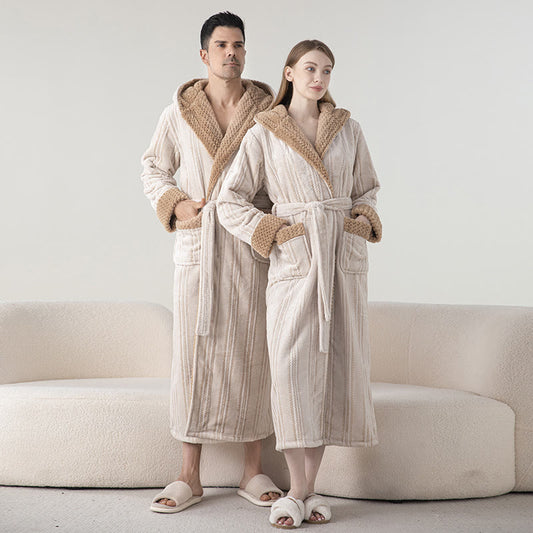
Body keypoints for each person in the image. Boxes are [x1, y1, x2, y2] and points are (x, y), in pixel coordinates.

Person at [217, 39, 382, 528]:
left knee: (329, 373)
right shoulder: (264, 131)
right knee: (292, 373)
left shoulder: (349, 129)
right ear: (289, 73)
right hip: (294, 262)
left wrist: (358, 223)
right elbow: (230, 200)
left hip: (340, 262)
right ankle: (298, 488)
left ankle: (304, 493)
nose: (319, 78)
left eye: (327, 70)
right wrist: (275, 232)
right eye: (310, 68)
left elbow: (368, 188)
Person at [140, 12, 283, 513]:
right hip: (200, 246)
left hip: (248, 245)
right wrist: (176, 204)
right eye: (221, 45)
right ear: (204, 54)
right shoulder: (178, 114)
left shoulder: (269, 112)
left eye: (238, 44)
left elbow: (283, 171)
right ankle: (189, 474)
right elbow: (153, 167)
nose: (231, 53)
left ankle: (252, 470)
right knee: (192, 356)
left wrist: (272, 221)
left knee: (254, 352)